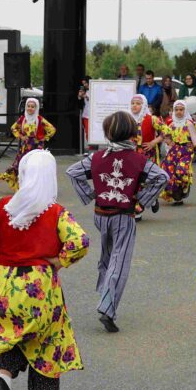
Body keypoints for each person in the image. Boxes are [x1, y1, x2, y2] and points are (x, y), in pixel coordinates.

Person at [0, 149, 89, 390]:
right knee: (46, 342)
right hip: (38, 285)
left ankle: (4, 379)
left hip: (3, 283)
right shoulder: (55, 212)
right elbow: (80, 241)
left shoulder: (3, 206)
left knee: (11, 332)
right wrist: (60, 261)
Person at [66, 111, 168, 332]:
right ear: (131, 132)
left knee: (107, 254)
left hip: (100, 214)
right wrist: (143, 199)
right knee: (119, 261)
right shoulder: (138, 159)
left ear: (108, 133)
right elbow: (162, 177)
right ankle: (107, 307)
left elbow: (72, 172)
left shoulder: (97, 157)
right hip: (123, 215)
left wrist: (90, 194)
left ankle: (104, 291)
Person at [0, 98, 56, 191]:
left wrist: (44, 138)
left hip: (37, 147)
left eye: (32, 107)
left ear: (36, 108)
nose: (30, 108)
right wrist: (21, 136)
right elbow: (13, 128)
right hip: (26, 146)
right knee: (20, 164)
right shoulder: (23, 119)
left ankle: (35, 187)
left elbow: (52, 129)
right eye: (28, 106)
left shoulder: (40, 119)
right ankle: (23, 186)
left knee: (35, 166)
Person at [160, 100, 196, 206]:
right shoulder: (172, 124)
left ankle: (185, 187)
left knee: (181, 171)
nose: (179, 112)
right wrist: (168, 141)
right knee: (169, 171)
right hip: (174, 151)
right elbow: (165, 134)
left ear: (185, 111)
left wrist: (195, 144)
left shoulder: (189, 123)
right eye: (176, 110)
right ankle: (177, 196)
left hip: (185, 151)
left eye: (181, 110)